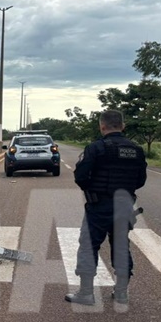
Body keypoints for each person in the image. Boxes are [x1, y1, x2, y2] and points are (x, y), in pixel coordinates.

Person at [67, 110, 147, 305]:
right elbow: (140, 180)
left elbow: (80, 176)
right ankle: (121, 293)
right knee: (120, 246)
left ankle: (86, 293)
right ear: (123, 126)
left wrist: (93, 191)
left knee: (88, 245)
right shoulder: (136, 150)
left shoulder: (96, 148)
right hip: (125, 205)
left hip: (99, 205)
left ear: (102, 126)